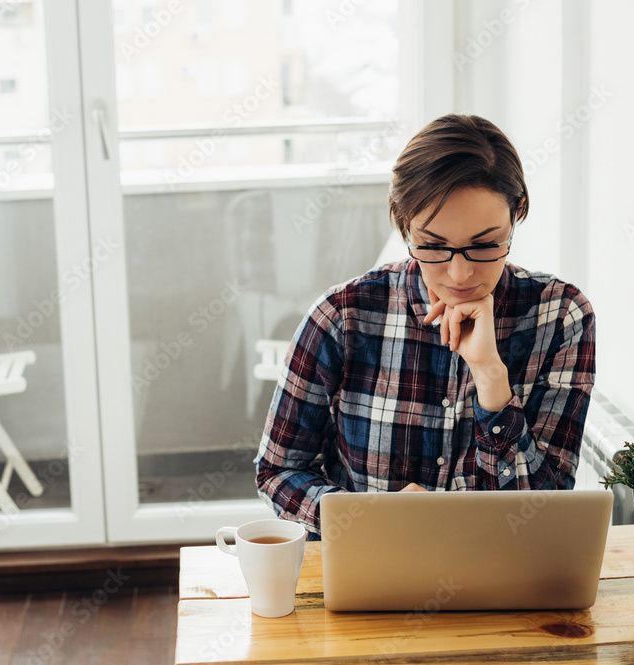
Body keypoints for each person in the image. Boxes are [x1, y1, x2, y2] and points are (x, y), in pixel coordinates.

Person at [254, 114, 597, 540]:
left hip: (502, 581)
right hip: (372, 574)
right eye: (433, 246)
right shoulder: (343, 315)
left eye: (486, 244)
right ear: (403, 225)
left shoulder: (562, 316)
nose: (459, 274)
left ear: (518, 213)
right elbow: (278, 471)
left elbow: (544, 513)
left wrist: (491, 380)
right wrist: (370, 518)